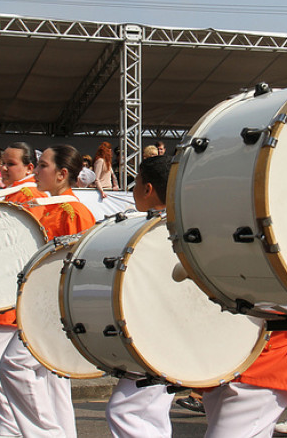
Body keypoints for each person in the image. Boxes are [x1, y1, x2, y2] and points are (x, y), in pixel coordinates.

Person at [0, 144, 96, 438]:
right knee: (54, 380)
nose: (36, 171)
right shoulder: (47, 206)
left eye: (42, 166)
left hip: (54, 307)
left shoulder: (73, 211)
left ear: (62, 174)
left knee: (13, 365)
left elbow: (81, 264)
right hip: (42, 302)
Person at [0, 142, 46, 438]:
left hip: (10, 295)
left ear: (30, 167)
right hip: (5, 293)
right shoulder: (12, 195)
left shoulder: (30, 197)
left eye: (10, 164)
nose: (3, 168)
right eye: (1, 163)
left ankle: (13, 426)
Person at [105, 155, 176, 438]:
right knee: (144, 413)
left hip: (162, 336)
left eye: (135, 184)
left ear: (148, 189)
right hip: (156, 336)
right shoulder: (173, 226)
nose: (132, 191)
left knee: (129, 411)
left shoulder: (158, 230)